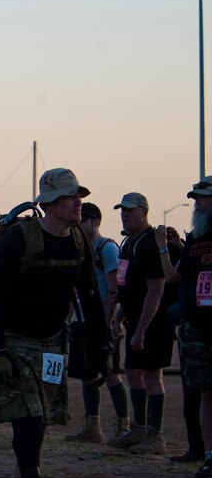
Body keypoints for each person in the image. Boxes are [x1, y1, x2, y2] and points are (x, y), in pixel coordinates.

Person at [0, 169, 108, 478]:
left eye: (79, 196)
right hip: (16, 344)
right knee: (30, 426)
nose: (79, 203)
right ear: (49, 202)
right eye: (72, 197)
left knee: (38, 430)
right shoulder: (20, 239)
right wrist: (0, 349)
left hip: (52, 346)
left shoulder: (78, 242)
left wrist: (103, 348)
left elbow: (88, 296)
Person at [107, 192, 175, 455]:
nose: (124, 215)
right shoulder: (127, 244)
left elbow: (155, 290)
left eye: (130, 210)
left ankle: (155, 436)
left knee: (152, 377)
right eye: (122, 210)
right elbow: (128, 289)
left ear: (144, 212)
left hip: (154, 323)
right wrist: (121, 317)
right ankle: (138, 429)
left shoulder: (149, 244)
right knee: (133, 374)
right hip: (135, 321)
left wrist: (142, 330)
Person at [156, 176, 212, 478]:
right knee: (204, 392)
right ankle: (208, 455)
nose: (197, 203)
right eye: (195, 198)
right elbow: (174, 278)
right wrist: (163, 248)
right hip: (196, 329)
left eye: (202, 197)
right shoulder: (195, 240)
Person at [65, 202, 129, 444]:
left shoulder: (107, 249)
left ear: (94, 222)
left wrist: (109, 322)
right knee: (87, 373)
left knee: (111, 373)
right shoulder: (80, 249)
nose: (77, 226)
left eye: (82, 221)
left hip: (102, 324)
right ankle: (92, 426)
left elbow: (114, 289)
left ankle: (124, 426)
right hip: (82, 322)